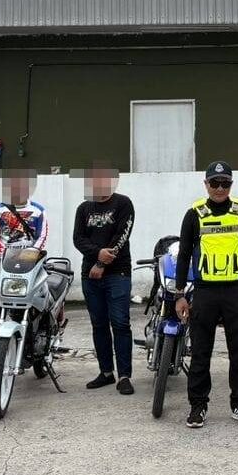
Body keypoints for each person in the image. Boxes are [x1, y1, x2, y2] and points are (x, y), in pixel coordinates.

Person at [173, 161, 238, 428]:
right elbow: (183, 256)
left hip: (236, 291)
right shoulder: (194, 213)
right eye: (214, 183)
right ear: (206, 184)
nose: (219, 188)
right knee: (200, 353)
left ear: (231, 184)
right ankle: (197, 406)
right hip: (204, 292)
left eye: (224, 183)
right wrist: (179, 293)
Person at [72, 165, 136, 395]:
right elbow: (78, 238)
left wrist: (102, 263)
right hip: (89, 276)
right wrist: (97, 255)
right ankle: (106, 373)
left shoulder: (123, 204)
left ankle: (124, 376)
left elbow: (121, 237)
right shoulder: (84, 208)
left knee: (120, 323)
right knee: (98, 324)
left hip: (117, 273)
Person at [0, 168, 48, 381]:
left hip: (32, 266)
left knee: (38, 309)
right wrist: (8, 255)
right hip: (3, 268)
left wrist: (30, 255)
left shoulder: (39, 211)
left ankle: (34, 351)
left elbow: (42, 237)